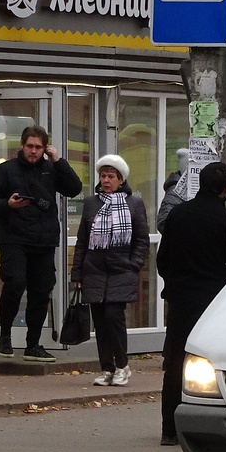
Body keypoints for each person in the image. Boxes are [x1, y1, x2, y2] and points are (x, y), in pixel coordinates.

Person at [0, 125, 83, 361]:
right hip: (14, 238)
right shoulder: (5, 170)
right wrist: (7, 205)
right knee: (15, 283)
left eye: (38, 147)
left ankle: (33, 344)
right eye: (30, 146)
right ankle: (5, 336)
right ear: (22, 146)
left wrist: (58, 161)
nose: (33, 151)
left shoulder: (51, 169)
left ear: (45, 148)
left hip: (44, 240)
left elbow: (74, 188)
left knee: (41, 291)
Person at [156, 161, 226, 445]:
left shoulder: (178, 215)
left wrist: (176, 282)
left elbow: (162, 261)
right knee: (214, 365)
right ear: (225, 189)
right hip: (213, 303)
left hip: (180, 300)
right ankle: (211, 429)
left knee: (176, 363)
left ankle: (169, 429)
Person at [70, 155, 150, 386]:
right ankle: (106, 368)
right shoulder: (92, 203)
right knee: (101, 321)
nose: (106, 180)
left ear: (120, 179)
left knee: (114, 317)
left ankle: (122, 366)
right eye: (103, 176)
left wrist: (134, 264)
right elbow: (83, 241)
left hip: (121, 270)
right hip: (94, 270)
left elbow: (141, 239)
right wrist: (77, 273)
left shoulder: (133, 203)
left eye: (111, 176)